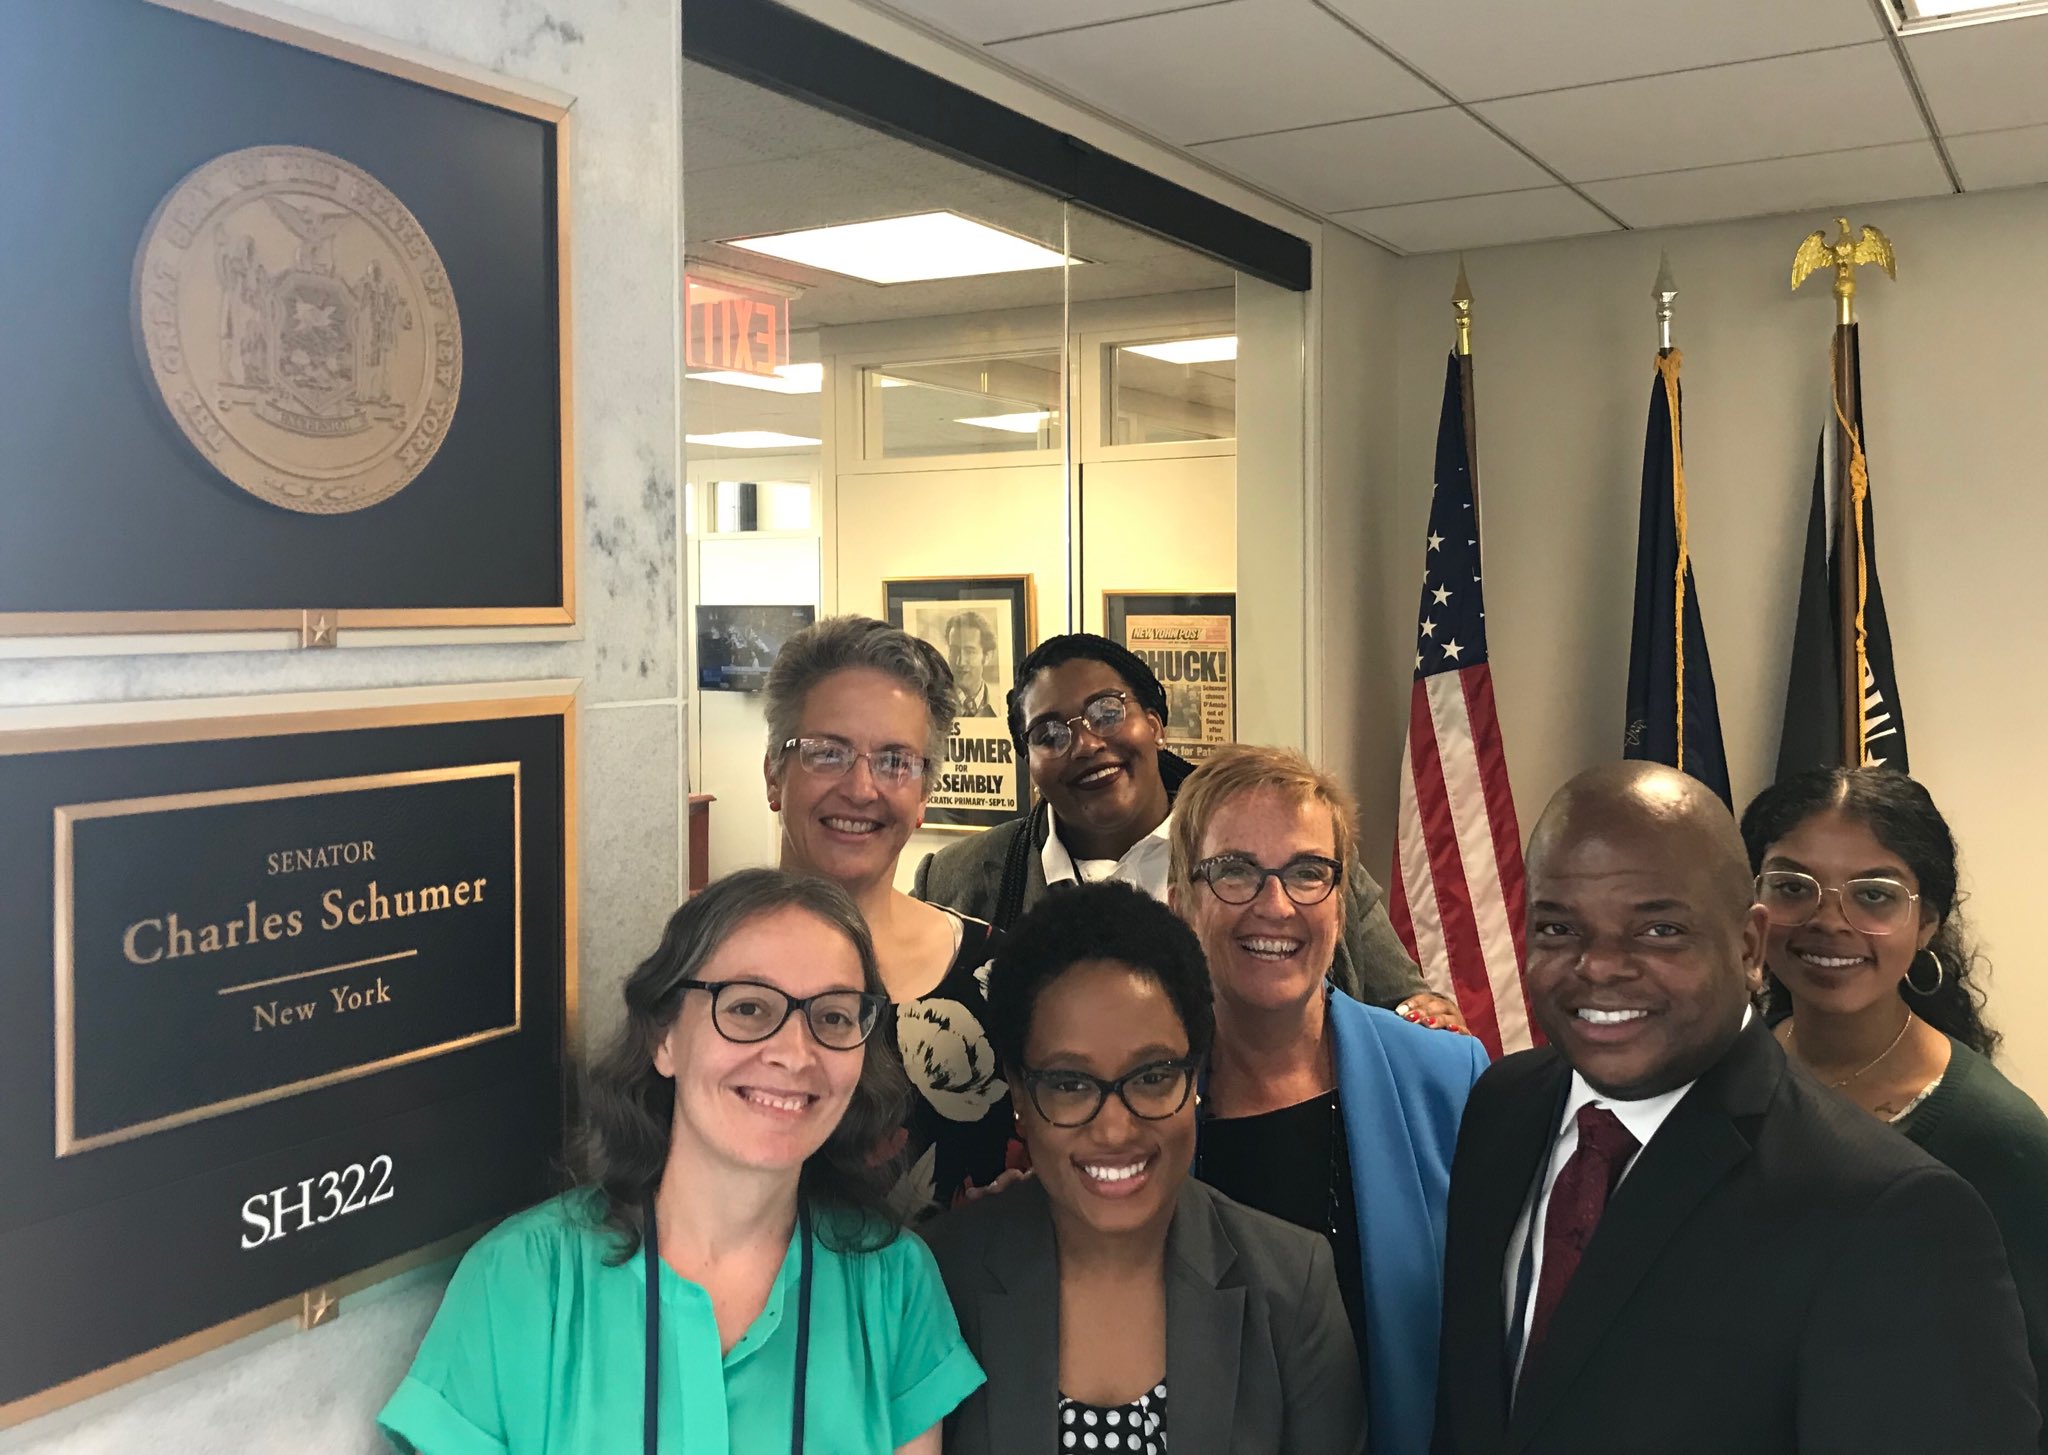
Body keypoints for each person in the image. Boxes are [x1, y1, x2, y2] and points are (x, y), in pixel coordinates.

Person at [1433, 761, 2037, 1455]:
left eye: (1659, 930)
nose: (1599, 966)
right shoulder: (1501, 1107)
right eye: (1559, 929)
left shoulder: (1894, 1213)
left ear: (1749, 944)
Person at [378, 869, 983, 1454]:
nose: (796, 1055)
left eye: (833, 1016)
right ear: (663, 1038)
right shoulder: (521, 1282)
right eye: (748, 1007)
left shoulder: (895, 1285)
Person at [924, 882, 1365, 1455]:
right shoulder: (938, 1279)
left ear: (1196, 1074)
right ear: (1019, 1094)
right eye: (1070, 1083)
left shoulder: (1291, 1285)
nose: (1114, 1129)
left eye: (1152, 1077)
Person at [1164, 744, 1485, 1455]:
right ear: (1181, 902)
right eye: (1236, 869)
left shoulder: (1447, 1081)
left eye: (1308, 871)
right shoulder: (1138, 1100)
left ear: (1340, 900)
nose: (1275, 904)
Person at [913, 631, 1462, 1025]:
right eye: (1049, 734)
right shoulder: (957, 882)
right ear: (1029, 763)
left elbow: (1403, 1006)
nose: (1084, 744)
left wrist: (1426, 1018)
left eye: (1107, 712)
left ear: (1154, 722)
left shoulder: (1284, 852)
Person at [1742, 765, 2048, 1446]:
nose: (1828, 920)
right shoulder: (1729, 1077)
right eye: (1792, 886)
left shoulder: (1997, 1137)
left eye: (1874, 896)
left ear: (1928, 923)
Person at [762, 616, 1012, 1215]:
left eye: (896, 761)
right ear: (775, 774)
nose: (861, 788)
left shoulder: (1000, 976)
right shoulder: (700, 969)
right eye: (829, 753)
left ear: (925, 794)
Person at [944, 611, 1000, 717]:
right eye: (954, 650)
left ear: (987, 656)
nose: (960, 662)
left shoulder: (1002, 707)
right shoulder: (935, 705)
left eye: (969, 652)